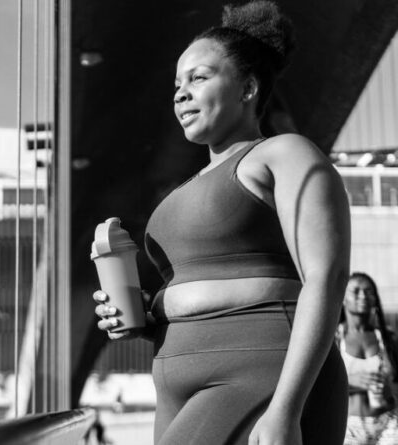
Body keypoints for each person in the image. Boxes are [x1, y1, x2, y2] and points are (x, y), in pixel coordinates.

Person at [92, 1, 351, 444]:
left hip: (261, 369)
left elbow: (326, 276)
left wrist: (284, 410)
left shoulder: (284, 153)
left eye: (199, 77)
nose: (180, 93)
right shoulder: (188, 184)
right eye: (177, 83)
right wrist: (143, 315)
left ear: (248, 87)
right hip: (175, 377)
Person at [339, 272, 398, 445]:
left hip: (389, 422)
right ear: (343, 297)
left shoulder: (388, 338)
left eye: (369, 291)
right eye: (356, 291)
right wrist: (350, 381)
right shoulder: (334, 338)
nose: (363, 296)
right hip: (349, 426)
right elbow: (318, 384)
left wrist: (390, 391)